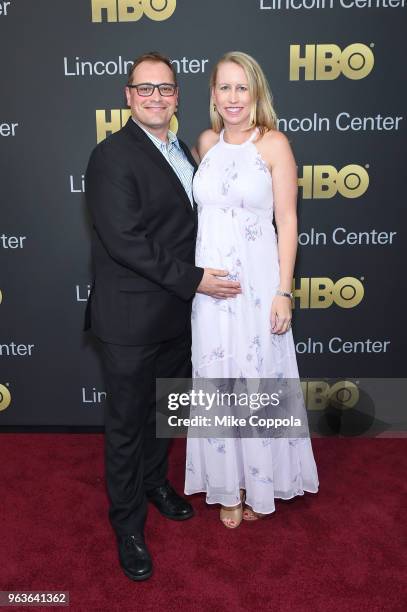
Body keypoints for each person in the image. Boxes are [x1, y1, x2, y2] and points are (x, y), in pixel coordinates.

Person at [84, 51, 241, 580]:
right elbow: (126, 241)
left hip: (178, 316)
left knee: (164, 414)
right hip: (130, 322)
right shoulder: (112, 156)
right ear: (128, 96)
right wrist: (197, 279)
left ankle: (155, 484)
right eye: (145, 88)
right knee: (128, 427)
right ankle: (127, 526)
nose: (156, 97)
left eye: (165, 89)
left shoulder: (184, 151)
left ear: (177, 97)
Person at [185, 51, 319, 527]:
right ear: (213, 96)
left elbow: (287, 220)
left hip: (259, 288)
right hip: (209, 290)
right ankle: (229, 484)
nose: (234, 97)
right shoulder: (205, 142)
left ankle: (261, 480)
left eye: (243, 87)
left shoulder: (274, 144)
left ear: (256, 92)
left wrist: (285, 291)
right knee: (218, 382)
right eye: (225, 87)